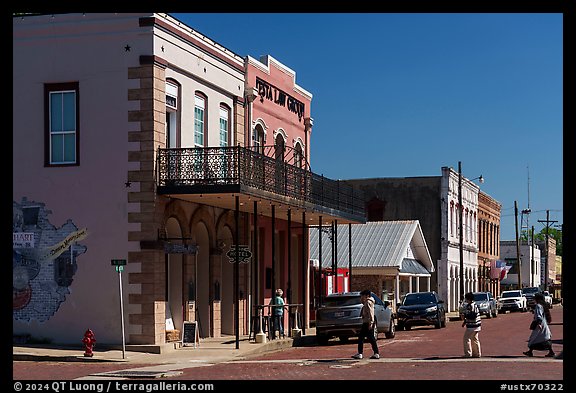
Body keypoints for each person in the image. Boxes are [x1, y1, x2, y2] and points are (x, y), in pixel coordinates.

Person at [524, 292, 555, 357]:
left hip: (539, 325)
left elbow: (539, 316)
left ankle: (530, 351)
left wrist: (539, 323)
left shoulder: (538, 306)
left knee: (534, 338)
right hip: (544, 324)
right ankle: (550, 351)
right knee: (545, 337)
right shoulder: (542, 305)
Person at [352, 289, 380, 359]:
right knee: (371, 338)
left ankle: (360, 353)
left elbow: (371, 313)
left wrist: (371, 323)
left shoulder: (368, 302)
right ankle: (376, 353)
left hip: (367, 322)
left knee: (362, 337)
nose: (361, 297)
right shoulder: (367, 302)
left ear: (367, 296)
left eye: (362, 296)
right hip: (367, 322)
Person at [461, 292, 482, 358]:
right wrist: (465, 322)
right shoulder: (475, 305)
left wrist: (465, 316)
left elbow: (472, 315)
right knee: (475, 339)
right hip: (477, 325)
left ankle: (468, 353)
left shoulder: (470, 306)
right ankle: (477, 353)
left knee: (466, 339)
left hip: (472, 326)